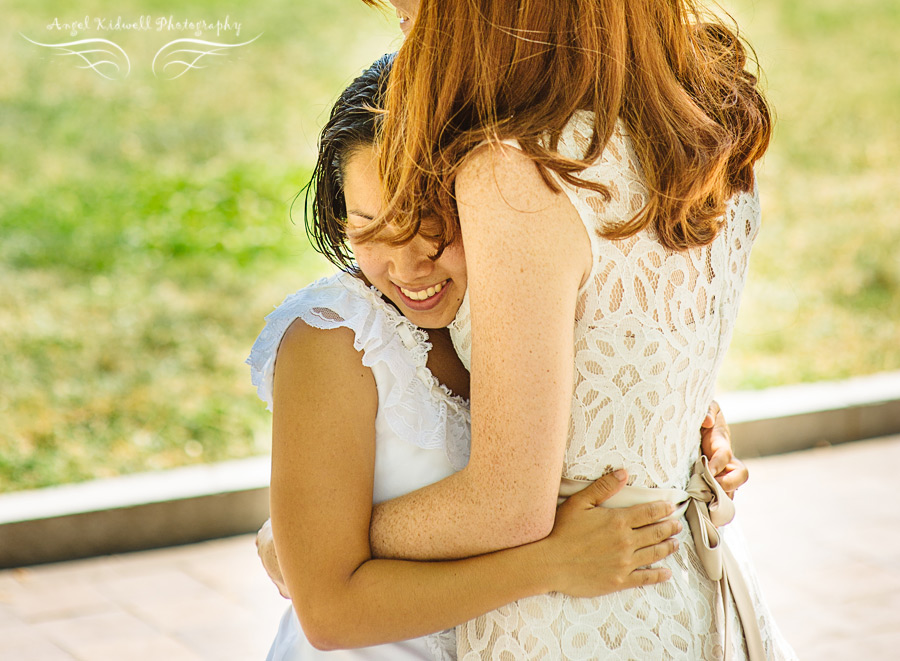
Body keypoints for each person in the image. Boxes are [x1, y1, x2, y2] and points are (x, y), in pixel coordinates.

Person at [249, 54, 746, 660]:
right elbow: (329, 614)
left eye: (430, 222)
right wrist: (550, 563)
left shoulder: (507, 309)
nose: (405, 266)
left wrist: (680, 447)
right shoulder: (334, 339)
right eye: (367, 228)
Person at [344, 1, 797, 658]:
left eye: (416, 18)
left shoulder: (517, 172)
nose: (408, 46)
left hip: (573, 619)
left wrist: (323, 537)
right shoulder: (706, 118)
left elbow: (507, 505)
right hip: (701, 584)